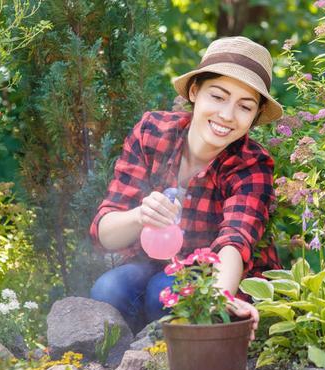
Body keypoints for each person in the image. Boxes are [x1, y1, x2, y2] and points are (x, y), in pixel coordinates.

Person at [89, 36, 284, 339]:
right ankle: (128, 360)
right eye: (217, 97)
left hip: (217, 279)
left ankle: (176, 356)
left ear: (255, 117)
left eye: (244, 107)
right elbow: (106, 233)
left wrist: (219, 300)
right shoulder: (153, 132)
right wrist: (140, 215)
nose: (227, 116)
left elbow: (235, 240)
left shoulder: (251, 164)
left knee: (161, 294)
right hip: (155, 265)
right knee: (109, 287)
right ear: (195, 92)